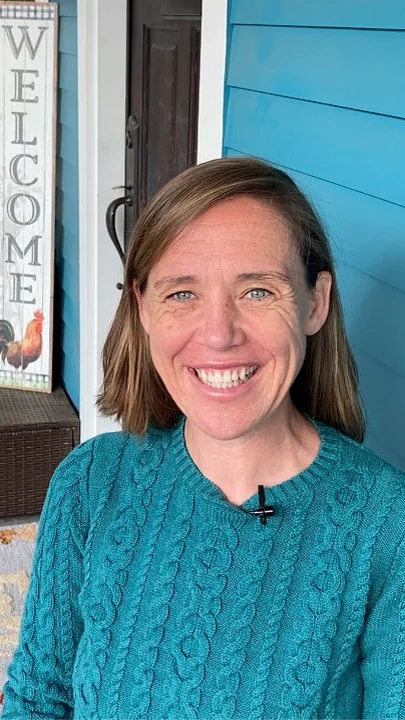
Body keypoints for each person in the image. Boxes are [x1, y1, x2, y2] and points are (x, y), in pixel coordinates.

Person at [2, 157, 405, 720]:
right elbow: (38, 699)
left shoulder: (385, 524)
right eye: (181, 294)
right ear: (143, 307)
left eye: (258, 291)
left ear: (314, 302)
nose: (218, 335)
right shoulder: (90, 483)